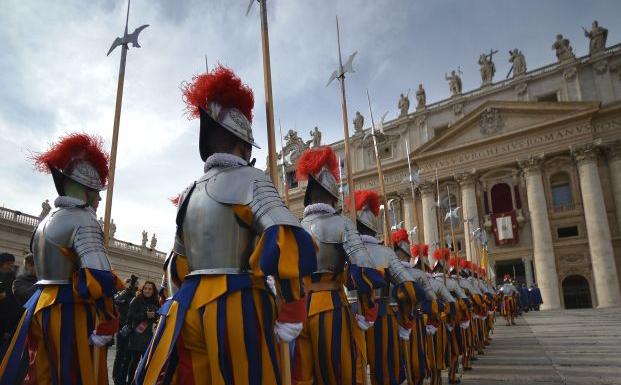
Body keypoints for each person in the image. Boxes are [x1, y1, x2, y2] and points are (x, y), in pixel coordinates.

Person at [134, 66, 317, 385]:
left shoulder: (189, 192)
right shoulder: (253, 180)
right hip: (236, 303)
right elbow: (287, 239)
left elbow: (176, 264)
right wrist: (291, 311)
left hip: (188, 305)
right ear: (244, 147)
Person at [0, 133, 123, 385]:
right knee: (73, 374)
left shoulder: (45, 221)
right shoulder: (84, 219)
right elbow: (98, 277)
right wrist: (109, 321)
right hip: (70, 311)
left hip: (39, 307)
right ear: (86, 189)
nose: (99, 198)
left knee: (40, 373)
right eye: (97, 192)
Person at [292, 147, 385, 385]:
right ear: (333, 196)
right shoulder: (343, 224)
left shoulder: (296, 227)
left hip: (299, 311)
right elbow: (363, 271)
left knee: (302, 377)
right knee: (340, 373)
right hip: (331, 306)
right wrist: (367, 311)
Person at [349, 195, 418, 385]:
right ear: (374, 228)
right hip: (384, 316)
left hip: (350, 316)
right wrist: (406, 320)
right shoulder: (387, 253)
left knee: (354, 371)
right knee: (386, 370)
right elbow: (408, 288)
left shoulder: (347, 249)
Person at [126, 281, 159, 385]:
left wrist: (155, 316)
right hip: (137, 335)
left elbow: (158, 317)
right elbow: (130, 315)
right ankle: (130, 382)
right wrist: (145, 315)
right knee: (134, 362)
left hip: (149, 337)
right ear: (142, 289)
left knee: (146, 364)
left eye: (150, 289)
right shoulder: (136, 300)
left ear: (153, 291)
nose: (147, 290)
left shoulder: (156, 301)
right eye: (145, 288)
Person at [112, 275, 139, 385]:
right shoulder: (122, 294)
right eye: (129, 283)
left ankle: (124, 379)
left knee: (128, 356)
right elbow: (117, 301)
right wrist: (127, 290)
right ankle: (117, 379)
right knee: (120, 354)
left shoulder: (135, 296)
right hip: (122, 328)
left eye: (133, 283)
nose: (132, 285)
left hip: (132, 328)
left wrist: (132, 291)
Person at [0, 252, 19, 356]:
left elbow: (12, 301)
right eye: (9, 265)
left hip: (5, 325)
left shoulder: (11, 278)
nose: (11, 268)